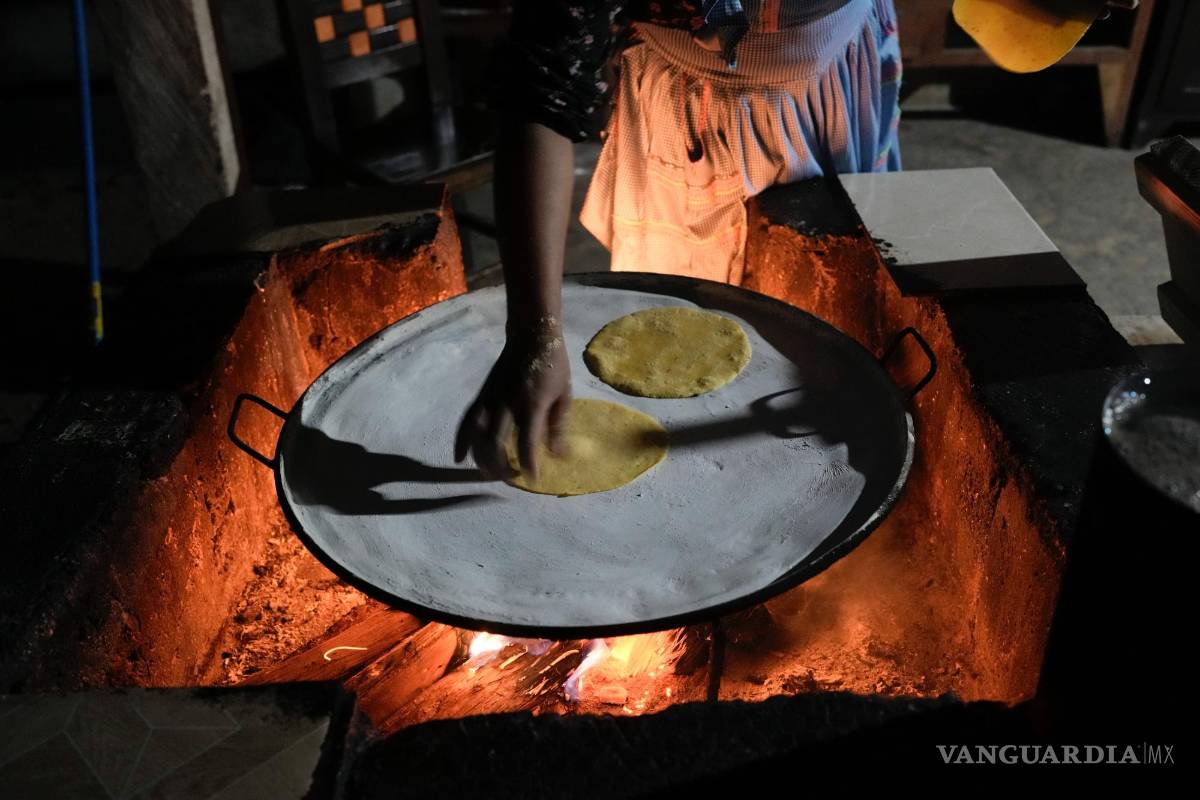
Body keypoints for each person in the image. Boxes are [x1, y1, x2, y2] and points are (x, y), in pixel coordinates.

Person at [454, 0, 1133, 480]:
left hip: (844, 71)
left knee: (837, 322)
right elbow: (539, 95)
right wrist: (535, 331)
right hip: (699, 118)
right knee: (686, 356)